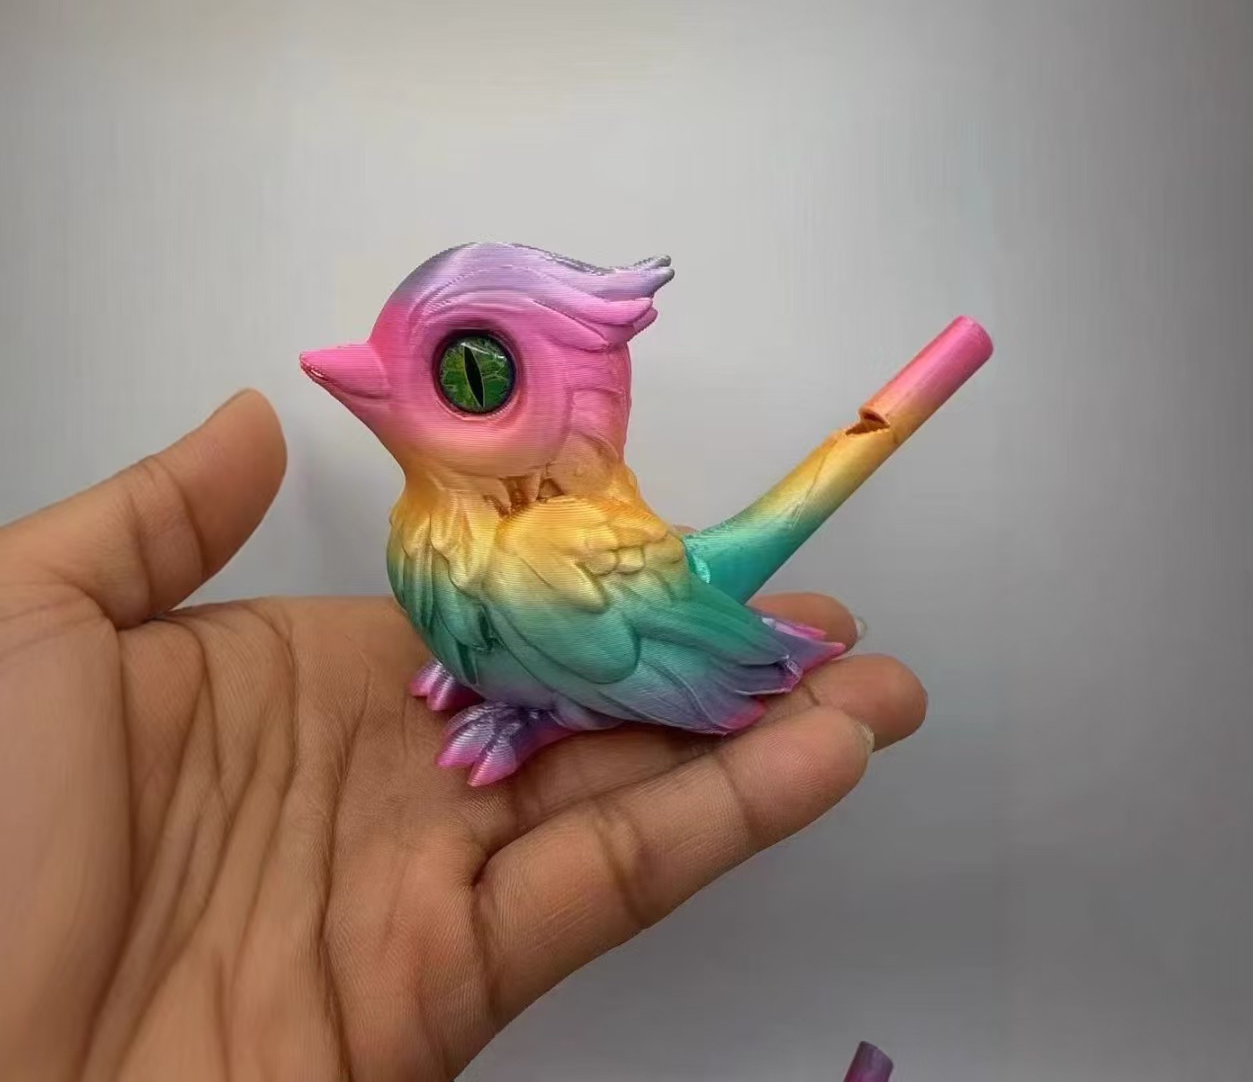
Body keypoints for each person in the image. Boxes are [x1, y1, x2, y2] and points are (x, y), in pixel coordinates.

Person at [0, 391, 926, 1079]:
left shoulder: (537, 556)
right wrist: (476, 653)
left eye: (472, 376)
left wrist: (536, 705)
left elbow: (640, 667)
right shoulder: (425, 532)